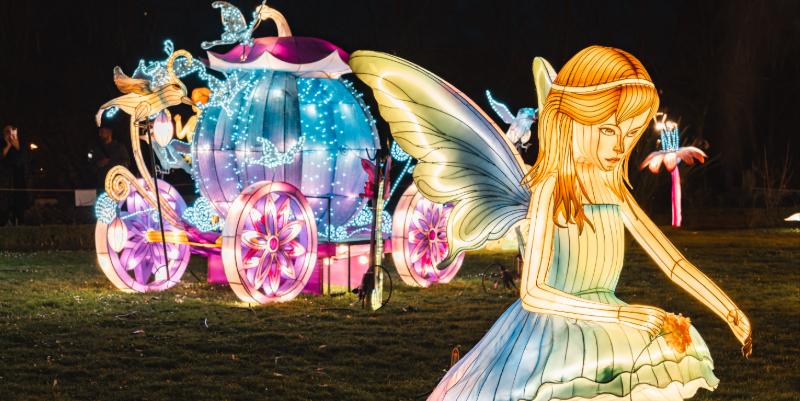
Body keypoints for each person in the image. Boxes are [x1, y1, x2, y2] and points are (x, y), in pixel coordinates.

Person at [351, 45, 752, 401]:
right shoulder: (549, 191)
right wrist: (624, 315)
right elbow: (534, 292)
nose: (618, 147)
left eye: (628, 134)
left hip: (605, 327)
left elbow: (671, 262)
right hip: (549, 336)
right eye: (607, 130)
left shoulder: (615, 192)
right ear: (573, 120)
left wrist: (729, 310)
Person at [1, 125, 31, 225]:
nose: (10, 135)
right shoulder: (2, 144)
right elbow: (2, 156)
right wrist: (8, 145)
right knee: (5, 207)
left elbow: (24, 158)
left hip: (19, 180)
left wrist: (16, 143)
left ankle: (19, 221)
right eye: (7, 132)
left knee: (19, 207)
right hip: (6, 181)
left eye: (11, 132)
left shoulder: (21, 144)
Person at [94, 126, 130, 192]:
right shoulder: (97, 149)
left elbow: (126, 163)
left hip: (116, 183)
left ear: (109, 133)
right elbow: (92, 166)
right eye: (100, 132)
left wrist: (110, 163)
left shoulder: (119, 147)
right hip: (102, 184)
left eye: (102, 132)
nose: (100, 134)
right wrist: (98, 164)